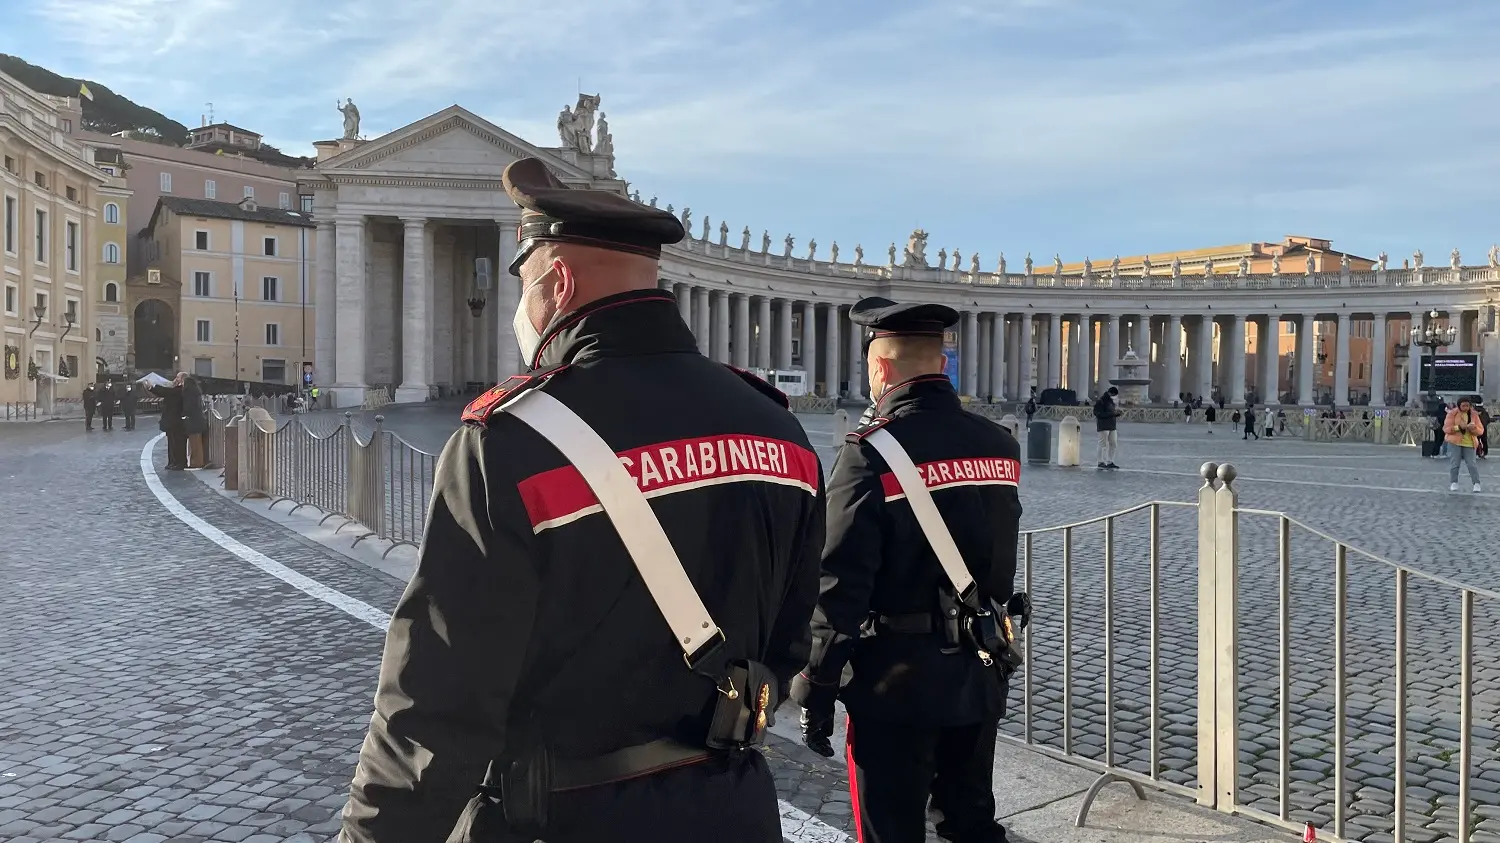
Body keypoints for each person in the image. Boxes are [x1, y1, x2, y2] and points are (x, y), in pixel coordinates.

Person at [339, 157, 825, 843]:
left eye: (525, 290)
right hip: (734, 812)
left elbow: (438, 708)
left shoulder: (511, 443)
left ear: (557, 284)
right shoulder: (780, 430)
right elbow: (789, 638)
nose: (520, 313)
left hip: (565, 817)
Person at [791, 296, 1028, 843]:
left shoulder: (870, 454)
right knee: (972, 823)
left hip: (894, 685)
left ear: (879, 367)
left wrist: (819, 680)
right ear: (941, 362)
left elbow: (840, 582)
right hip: (978, 667)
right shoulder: (999, 444)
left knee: (890, 830)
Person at [1444, 396, 1484, 492]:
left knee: (1471, 464)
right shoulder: (1452, 414)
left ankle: (1476, 483)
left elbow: (1481, 430)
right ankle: (1454, 482)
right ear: (1459, 406)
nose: (1466, 408)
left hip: (1469, 442)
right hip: (1455, 442)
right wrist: (1458, 427)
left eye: (1467, 405)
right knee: (1455, 463)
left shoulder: (1474, 415)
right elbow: (1446, 429)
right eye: (1463, 406)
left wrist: (1473, 428)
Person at [151, 373, 188, 470]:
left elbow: (166, 391)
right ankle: (172, 461)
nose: (175, 379)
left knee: (177, 442)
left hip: (176, 420)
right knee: (172, 442)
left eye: (178, 377)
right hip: (171, 420)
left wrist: (153, 386)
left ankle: (178, 462)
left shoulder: (180, 390)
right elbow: (165, 392)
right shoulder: (175, 389)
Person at [182, 376, 207, 467]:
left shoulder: (189, 392)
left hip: (193, 421)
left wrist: (184, 413)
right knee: (197, 443)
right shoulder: (196, 391)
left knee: (195, 443)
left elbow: (189, 407)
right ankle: (196, 462)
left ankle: (197, 462)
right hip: (198, 420)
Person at [1093, 386, 1120, 469]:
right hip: (1103, 426)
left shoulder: (1111, 401)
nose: (1114, 396)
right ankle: (1100, 461)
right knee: (1102, 444)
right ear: (1110, 393)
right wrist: (1112, 414)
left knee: (1113, 443)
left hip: (1112, 426)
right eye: (1113, 394)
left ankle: (1110, 461)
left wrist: (1115, 413)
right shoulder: (1101, 401)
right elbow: (1098, 414)